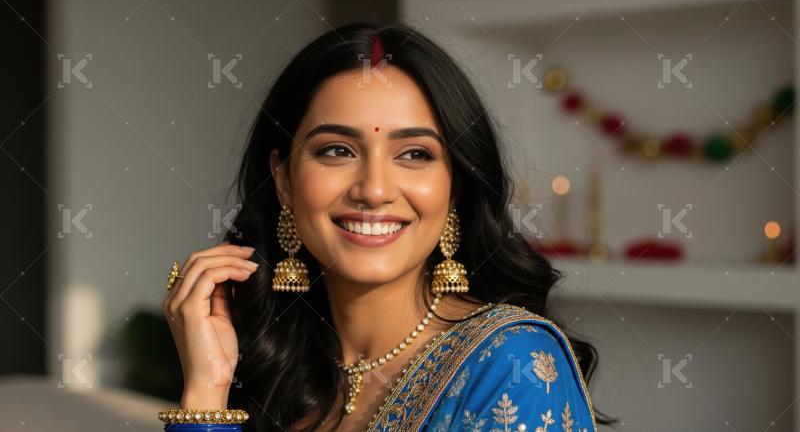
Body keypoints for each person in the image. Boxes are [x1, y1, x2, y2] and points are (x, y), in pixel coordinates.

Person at [161, 22, 615, 431]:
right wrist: (207, 394)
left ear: (455, 187)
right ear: (284, 180)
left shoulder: (509, 365)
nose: (374, 190)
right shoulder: (275, 366)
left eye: (415, 154)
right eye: (337, 150)